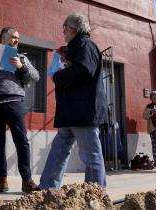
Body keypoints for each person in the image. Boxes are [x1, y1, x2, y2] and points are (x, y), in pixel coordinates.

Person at [39, 13, 107, 190]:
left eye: (64, 27)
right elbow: (76, 68)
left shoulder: (86, 45)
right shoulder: (75, 47)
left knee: (91, 156)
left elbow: (83, 71)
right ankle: (47, 189)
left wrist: (57, 76)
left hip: (82, 111)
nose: (63, 31)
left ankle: (95, 193)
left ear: (73, 29)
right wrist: (65, 58)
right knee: (58, 151)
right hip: (70, 111)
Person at [0, 27, 40, 193]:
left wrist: (21, 66)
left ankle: (27, 180)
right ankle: (1, 181)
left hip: (15, 102)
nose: (17, 40)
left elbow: (36, 76)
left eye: (18, 37)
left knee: (22, 142)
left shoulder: (22, 58)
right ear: (3, 38)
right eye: (13, 37)